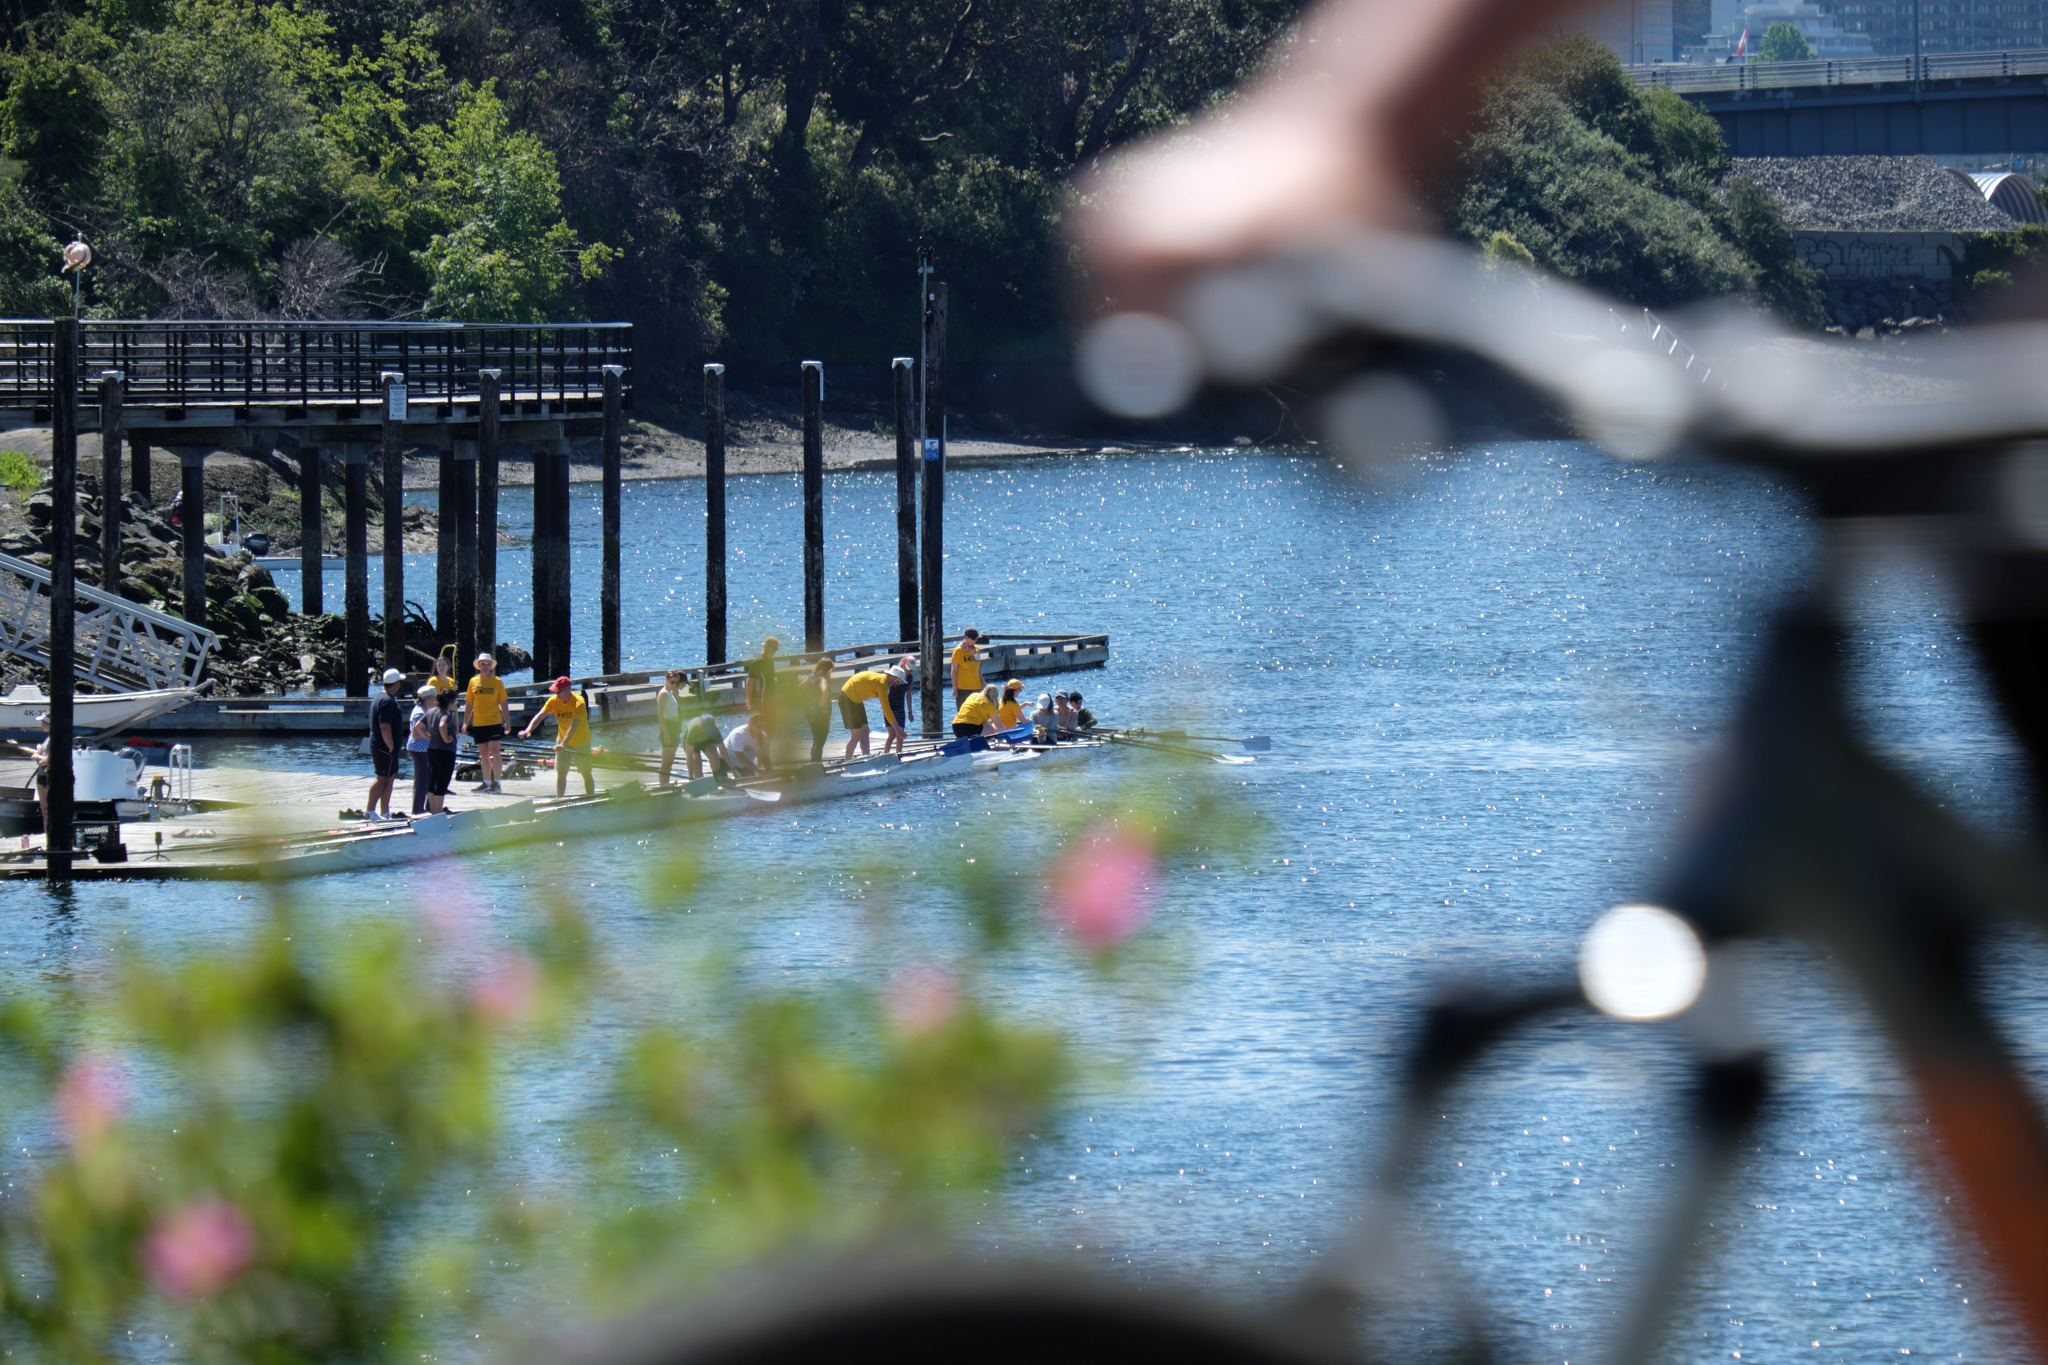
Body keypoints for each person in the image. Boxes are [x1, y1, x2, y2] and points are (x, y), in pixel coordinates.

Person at [520, 676, 595, 798]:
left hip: (580, 742)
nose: (556, 694)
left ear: (567, 690)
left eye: (558, 692)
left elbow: (573, 726)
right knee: (561, 773)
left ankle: (592, 798)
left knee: (586, 773)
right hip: (562, 741)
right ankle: (559, 799)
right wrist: (528, 730)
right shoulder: (554, 701)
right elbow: (540, 716)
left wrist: (563, 744)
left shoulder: (579, 702)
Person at [465, 652, 508, 793]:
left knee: (495, 751)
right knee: (483, 753)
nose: (485, 666)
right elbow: (469, 704)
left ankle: (497, 782)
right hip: (478, 723)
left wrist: (507, 721)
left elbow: (503, 702)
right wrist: (466, 722)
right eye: (482, 664)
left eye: (488, 664)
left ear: (491, 666)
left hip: (494, 721)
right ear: (478, 666)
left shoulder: (497, 682)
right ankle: (486, 782)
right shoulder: (473, 682)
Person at [366, 667, 405, 820]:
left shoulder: (381, 697)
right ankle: (370, 811)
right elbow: (384, 726)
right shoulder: (386, 701)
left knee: (390, 777)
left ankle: (384, 812)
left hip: (385, 747)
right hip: (384, 747)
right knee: (382, 778)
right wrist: (390, 746)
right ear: (395, 684)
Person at [838, 667, 901, 759]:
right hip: (847, 698)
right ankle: (846, 763)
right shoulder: (881, 682)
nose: (898, 684)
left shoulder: (883, 682)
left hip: (856, 700)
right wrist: (898, 729)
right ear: (892, 677)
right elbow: (886, 709)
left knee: (865, 730)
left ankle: (866, 758)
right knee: (857, 734)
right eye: (898, 681)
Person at [424, 687, 459, 814]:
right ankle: (438, 813)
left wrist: (430, 738)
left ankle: (433, 812)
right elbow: (442, 725)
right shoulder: (446, 713)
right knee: (442, 782)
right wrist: (446, 739)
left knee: (433, 780)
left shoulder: (431, 711)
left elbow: (418, 728)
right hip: (445, 752)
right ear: (450, 701)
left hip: (432, 749)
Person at [681, 712, 734, 783]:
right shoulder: (694, 730)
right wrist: (690, 776)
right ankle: (699, 780)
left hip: (707, 741)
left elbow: (723, 750)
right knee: (695, 760)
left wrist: (733, 769)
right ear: (701, 726)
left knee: (713, 754)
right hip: (693, 743)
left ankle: (716, 777)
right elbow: (689, 756)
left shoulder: (715, 730)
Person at [408, 683, 436, 815]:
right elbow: (415, 733)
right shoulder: (419, 713)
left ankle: (429, 808)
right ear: (427, 698)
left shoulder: (426, 709)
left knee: (429, 779)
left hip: (426, 749)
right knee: (421, 780)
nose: (436, 700)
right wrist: (431, 737)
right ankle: (417, 810)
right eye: (434, 697)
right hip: (419, 749)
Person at [655, 670, 686, 786]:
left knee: (670, 761)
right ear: (667, 680)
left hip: (674, 726)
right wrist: (665, 732)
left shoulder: (672, 693)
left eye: (675, 683)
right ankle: (663, 784)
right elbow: (661, 716)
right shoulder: (663, 694)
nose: (673, 685)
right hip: (667, 726)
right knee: (666, 762)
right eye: (672, 682)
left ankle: (666, 783)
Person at [804, 657, 835, 763]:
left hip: (810, 712)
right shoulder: (822, 679)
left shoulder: (810, 678)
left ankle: (814, 763)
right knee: (820, 742)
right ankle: (817, 765)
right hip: (821, 714)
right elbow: (824, 690)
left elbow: (799, 689)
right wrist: (822, 704)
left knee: (816, 741)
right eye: (830, 670)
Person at [882, 657, 914, 755]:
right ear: (903, 665)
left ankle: (899, 757)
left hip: (900, 708)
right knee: (892, 735)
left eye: (911, 669)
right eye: (908, 668)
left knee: (900, 737)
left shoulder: (910, 678)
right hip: (890, 707)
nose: (909, 671)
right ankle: (885, 755)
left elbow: (908, 695)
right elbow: (884, 690)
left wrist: (910, 712)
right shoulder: (894, 674)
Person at [951, 628, 984, 706]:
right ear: (966, 638)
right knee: (963, 712)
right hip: (963, 688)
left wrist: (983, 681)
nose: (974, 641)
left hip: (976, 686)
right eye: (972, 639)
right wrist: (955, 689)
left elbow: (977, 668)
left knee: (977, 712)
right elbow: (954, 671)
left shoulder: (976, 650)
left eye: (976, 639)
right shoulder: (958, 651)